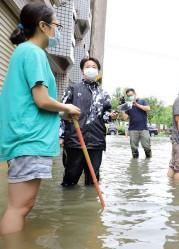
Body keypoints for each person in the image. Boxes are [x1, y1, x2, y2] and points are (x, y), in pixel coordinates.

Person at [0, 3, 80, 234]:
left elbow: (35, 100)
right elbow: (42, 100)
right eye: (57, 25)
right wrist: (66, 106)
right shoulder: (33, 53)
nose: (58, 30)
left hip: (24, 137)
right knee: (19, 207)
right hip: (29, 138)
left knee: (22, 205)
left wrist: (63, 112)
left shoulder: (24, 51)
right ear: (43, 26)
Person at [59, 57, 118, 186]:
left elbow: (105, 116)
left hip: (96, 141)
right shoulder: (72, 89)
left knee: (93, 178)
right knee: (71, 176)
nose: (91, 69)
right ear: (82, 70)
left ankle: (90, 203)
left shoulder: (104, 94)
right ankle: (69, 202)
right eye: (88, 66)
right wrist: (61, 135)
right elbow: (61, 113)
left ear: (98, 71)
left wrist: (111, 116)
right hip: (75, 140)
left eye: (94, 67)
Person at [121, 88, 152, 158]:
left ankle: (148, 162)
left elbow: (148, 108)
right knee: (134, 149)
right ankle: (134, 164)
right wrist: (122, 108)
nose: (130, 97)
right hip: (132, 129)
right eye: (128, 96)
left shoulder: (142, 101)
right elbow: (124, 118)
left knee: (147, 147)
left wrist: (137, 105)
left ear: (135, 94)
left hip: (143, 128)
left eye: (131, 95)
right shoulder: (128, 105)